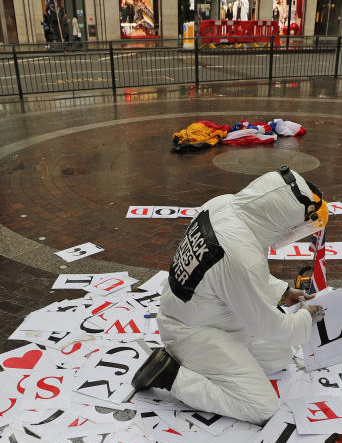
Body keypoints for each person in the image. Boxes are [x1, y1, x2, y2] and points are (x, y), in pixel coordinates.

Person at [132, 167, 328, 424]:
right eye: (293, 225)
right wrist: (304, 317)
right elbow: (270, 326)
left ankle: (212, 367)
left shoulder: (222, 203)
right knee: (262, 406)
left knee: (281, 354)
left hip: (194, 311)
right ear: (279, 218)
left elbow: (227, 276)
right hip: (192, 332)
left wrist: (281, 293)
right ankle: (172, 375)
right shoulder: (242, 254)